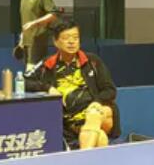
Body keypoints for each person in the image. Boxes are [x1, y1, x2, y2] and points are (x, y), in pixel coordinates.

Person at [26, 17, 119, 149]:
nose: (72, 42)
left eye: (76, 38)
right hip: (72, 123)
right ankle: (89, 158)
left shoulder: (92, 61)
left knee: (94, 115)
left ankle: (82, 157)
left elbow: (110, 90)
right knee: (99, 138)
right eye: (66, 38)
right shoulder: (48, 64)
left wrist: (97, 101)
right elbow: (24, 81)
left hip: (98, 111)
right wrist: (48, 88)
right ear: (56, 42)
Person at [14, 0, 57, 67]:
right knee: (29, 71)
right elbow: (26, 19)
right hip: (26, 40)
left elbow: (53, 14)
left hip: (38, 40)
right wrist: (22, 37)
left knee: (31, 69)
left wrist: (34, 23)